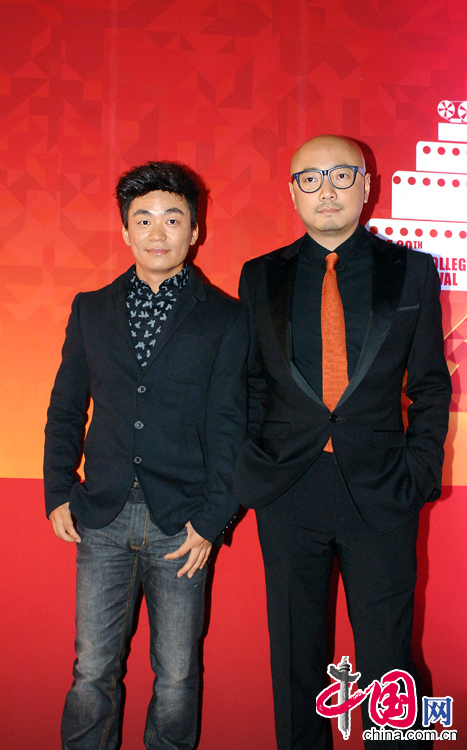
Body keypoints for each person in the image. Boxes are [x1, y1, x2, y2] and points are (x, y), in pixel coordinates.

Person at [234, 135, 451, 749]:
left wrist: (418, 473)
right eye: (310, 178)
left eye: (340, 175)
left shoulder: (411, 270)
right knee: (296, 658)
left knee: (390, 662)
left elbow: (430, 385)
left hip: (381, 491)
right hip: (289, 491)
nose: (325, 190)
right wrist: (253, 467)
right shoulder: (261, 275)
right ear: (292, 193)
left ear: (366, 185)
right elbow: (249, 383)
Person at [44, 161, 248, 750]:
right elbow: (66, 408)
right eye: (144, 219)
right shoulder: (90, 308)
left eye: (173, 219)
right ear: (126, 230)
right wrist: (57, 491)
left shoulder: (228, 317)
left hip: (182, 525)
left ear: (195, 230)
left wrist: (212, 521)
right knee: (91, 669)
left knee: (178, 676)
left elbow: (231, 426)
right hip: (101, 517)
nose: (158, 232)